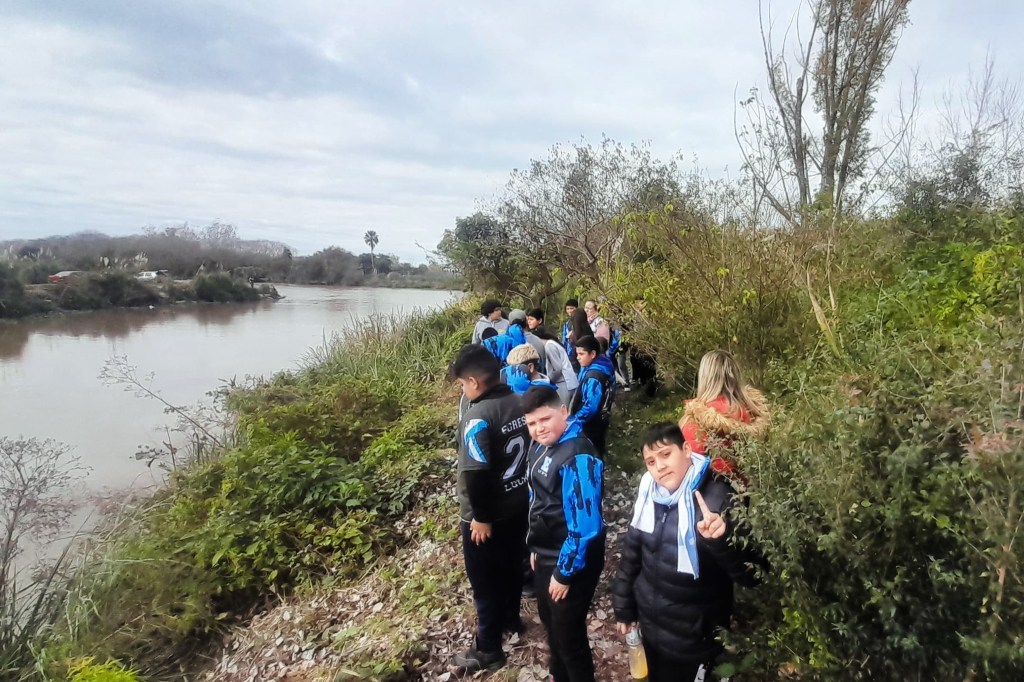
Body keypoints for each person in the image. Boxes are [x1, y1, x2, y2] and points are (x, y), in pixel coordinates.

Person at [612, 423, 761, 682]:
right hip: (652, 627)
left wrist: (721, 539)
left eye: (666, 454)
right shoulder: (649, 494)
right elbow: (632, 553)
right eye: (651, 461)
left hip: (695, 637)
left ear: (686, 450)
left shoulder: (719, 498)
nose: (659, 466)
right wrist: (624, 606)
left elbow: (753, 575)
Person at [450, 345, 531, 672]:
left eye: (462, 384)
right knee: (512, 568)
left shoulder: (477, 417)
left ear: (473, 381)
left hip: (487, 516)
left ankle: (488, 649)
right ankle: (511, 620)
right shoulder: (519, 401)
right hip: (517, 505)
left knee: (484, 582)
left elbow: (476, 473)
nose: (463, 390)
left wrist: (481, 518)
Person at [522, 385, 605, 682]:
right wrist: (535, 547)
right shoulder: (541, 446)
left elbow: (585, 526)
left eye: (545, 419)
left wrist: (564, 572)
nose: (539, 428)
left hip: (571, 558)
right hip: (546, 552)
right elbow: (538, 500)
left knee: (569, 636)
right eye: (532, 423)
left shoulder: (577, 455)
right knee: (550, 624)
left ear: (564, 412)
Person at [678, 350, 770, 485]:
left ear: (705, 377)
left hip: (713, 490)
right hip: (750, 488)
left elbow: (688, 466)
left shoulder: (696, 418)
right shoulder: (752, 411)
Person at [570, 335, 615, 459]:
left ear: (593, 354)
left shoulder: (594, 376)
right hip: (600, 419)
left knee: (592, 451)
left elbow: (591, 406)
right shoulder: (603, 365)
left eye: (581, 354)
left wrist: (574, 420)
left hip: (591, 424)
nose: (578, 357)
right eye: (577, 354)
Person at [530, 327, 579, 405]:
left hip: (564, 383)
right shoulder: (552, 343)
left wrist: (546, 380)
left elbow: (558, 369)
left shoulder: (549, 346)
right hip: (568, 382)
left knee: (563, 408)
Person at [509, 309, 548, 374]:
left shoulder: (505, 342)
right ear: (526, 321)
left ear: (509, 324)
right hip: (538, 376)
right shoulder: (537, 340)